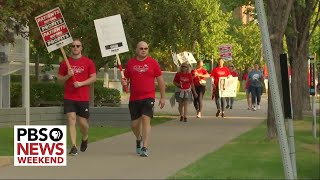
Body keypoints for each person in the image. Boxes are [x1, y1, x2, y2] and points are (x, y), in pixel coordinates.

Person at [121, 41, 165, 157]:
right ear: (136, 50)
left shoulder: (153, 63)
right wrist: (124, 83)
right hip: (134, 98)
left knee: (146, 119)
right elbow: (126, 83)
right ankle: (138, 139)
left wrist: (163, 97)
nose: (143, 50)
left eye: (145, 48)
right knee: (134, 125)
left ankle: (145, 147)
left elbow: (160, 80)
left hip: (148, 96)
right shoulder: (131, 63)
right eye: (141, 48)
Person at [57, 39, 97, 156]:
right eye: (73, 46)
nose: (75, 48)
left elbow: (93, 78)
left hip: (83, 97)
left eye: (78, 46)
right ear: (71, 48)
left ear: (81, 48)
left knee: (83, 124)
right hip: (69, 96)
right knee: (71, 119)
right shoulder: (65, 63)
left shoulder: (88, 62)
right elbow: (59, 79)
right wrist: (67, 76)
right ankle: (73, 146)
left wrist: (81, 83)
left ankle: (85, 137)